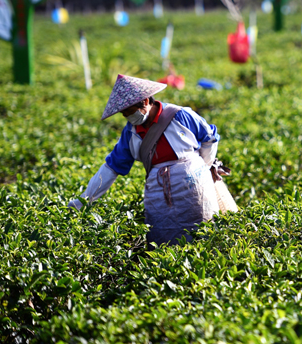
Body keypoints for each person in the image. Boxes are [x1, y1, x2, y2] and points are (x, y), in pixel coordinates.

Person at [68, 74, 232, 245]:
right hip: (158, 194)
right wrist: (85, 200)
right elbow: (111, 168)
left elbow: (210, 138)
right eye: (124, 114)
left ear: (145, 102)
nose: (128, 117)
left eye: (129, 111)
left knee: (202, 236)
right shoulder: (131, 133)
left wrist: (202, 170)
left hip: (194, 190)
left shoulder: (181, 116)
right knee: (163, 241)